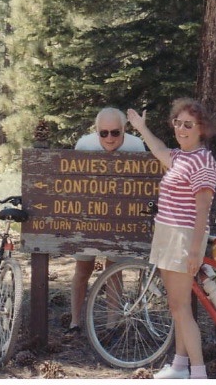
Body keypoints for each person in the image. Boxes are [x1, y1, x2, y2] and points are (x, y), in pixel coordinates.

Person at [127, 98, 216, 380]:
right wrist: (142, 128)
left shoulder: (203, 160)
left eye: (188, 125)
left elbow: (203, 207)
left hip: (183, 238)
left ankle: (198, 373)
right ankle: (179, 366)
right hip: (168, 234)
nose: (181, 129)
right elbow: (159, 149)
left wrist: (194, 251)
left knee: (181, 308)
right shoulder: (180, 156)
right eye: (177, 123)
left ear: (201, 129)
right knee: (177, 307)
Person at [66, 107, 146, 335]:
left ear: (124, 130)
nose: (109, 138)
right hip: (88, 217)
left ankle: (112, 324)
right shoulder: (83, 145)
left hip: (120, 218)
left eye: (115, 133)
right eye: (104, 133)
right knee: (83, 267)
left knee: (115, 268)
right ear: (96, 131)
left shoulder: (136, 146)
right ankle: (74, 322)